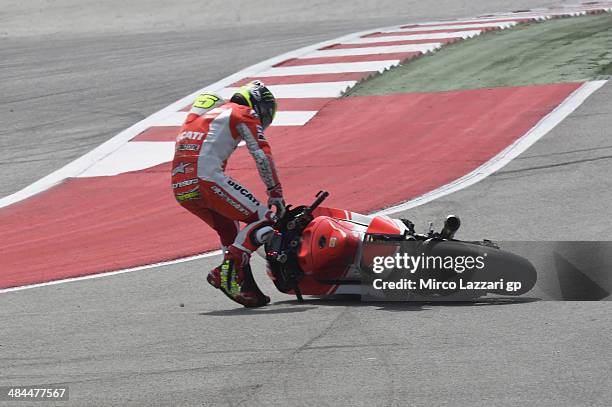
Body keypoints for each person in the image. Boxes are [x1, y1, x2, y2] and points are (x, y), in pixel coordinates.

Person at [171, 81, 285, 307]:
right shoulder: (243, 112)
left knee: (230, 231)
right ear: (258, 104)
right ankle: (225, 272)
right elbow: (262, 156)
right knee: (265, 219)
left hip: (180, 185)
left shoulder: (202, 115)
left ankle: (242, 287)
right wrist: (275, 192)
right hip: (206, 179)